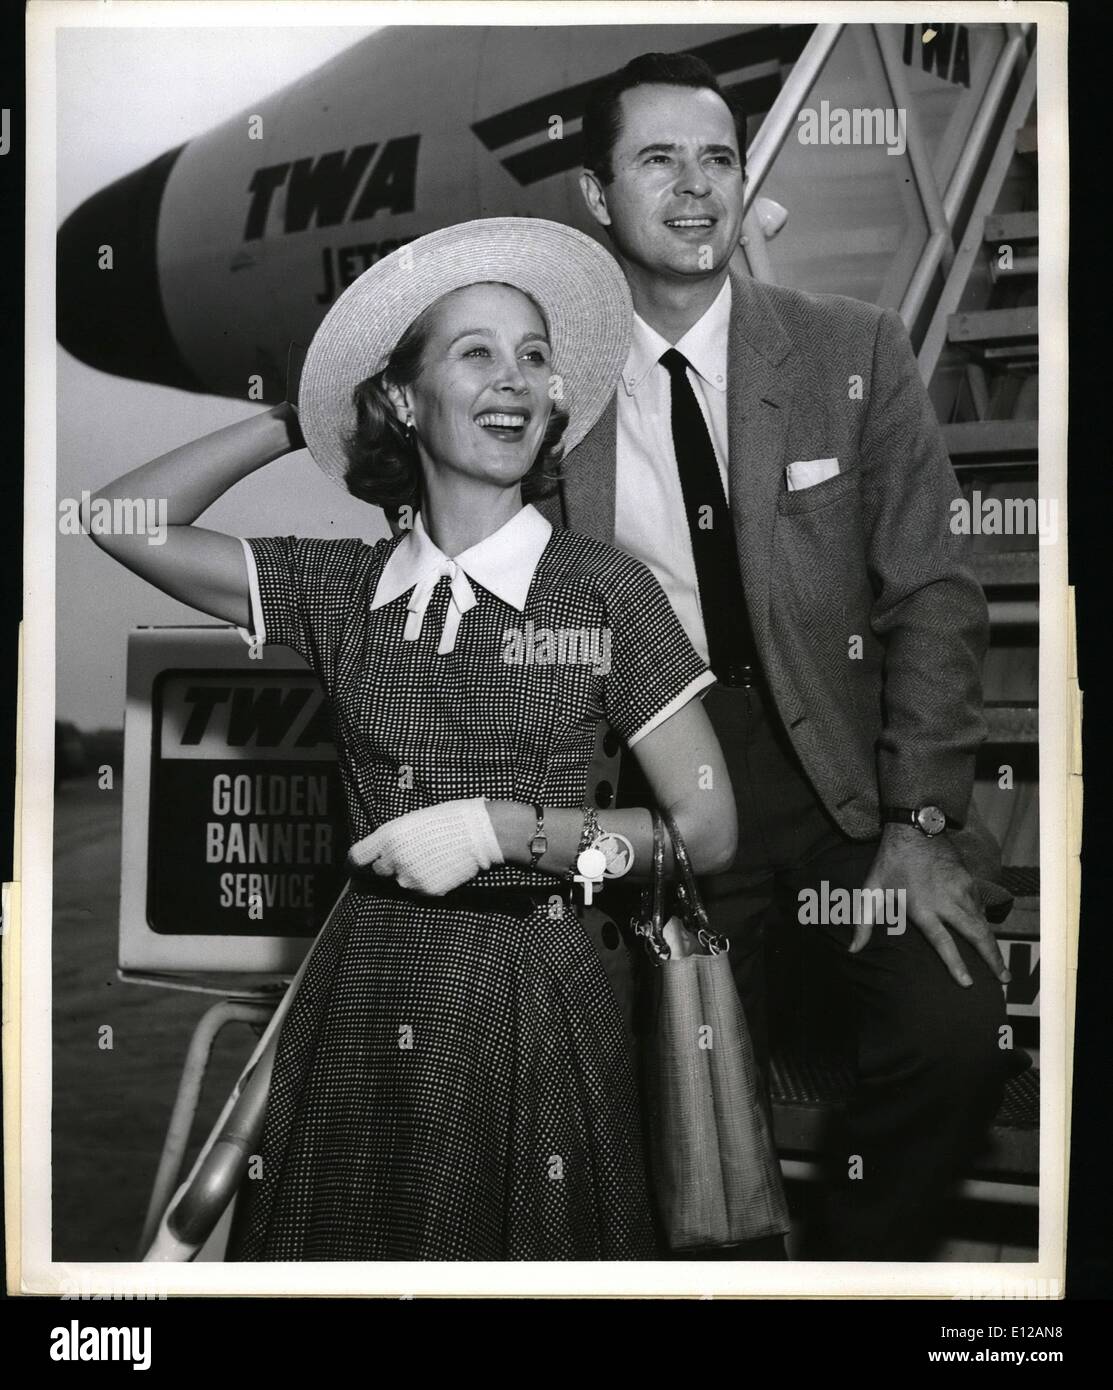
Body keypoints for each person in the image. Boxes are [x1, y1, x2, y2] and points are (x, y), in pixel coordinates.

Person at [88, 217, 739, 1261]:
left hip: (538, 1007)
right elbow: (122, 519)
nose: (515, 380)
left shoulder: (604, 590)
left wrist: (508, 831)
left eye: (535, 356)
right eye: (475, 353)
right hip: (361, 996)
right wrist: (298, 419)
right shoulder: (340, 590)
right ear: (401, 397)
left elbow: (705, 832)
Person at [532, 52, 1021, 1261]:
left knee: (955, 1035)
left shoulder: (855, 348)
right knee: (690, 1127)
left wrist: (917, 822)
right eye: (658, 160)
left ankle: (852, 1279)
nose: (697, 189)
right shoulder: (553, 398)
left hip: (849, 782)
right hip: (669, 795)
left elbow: (936, 597)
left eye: (719, 160)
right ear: (597, 198)